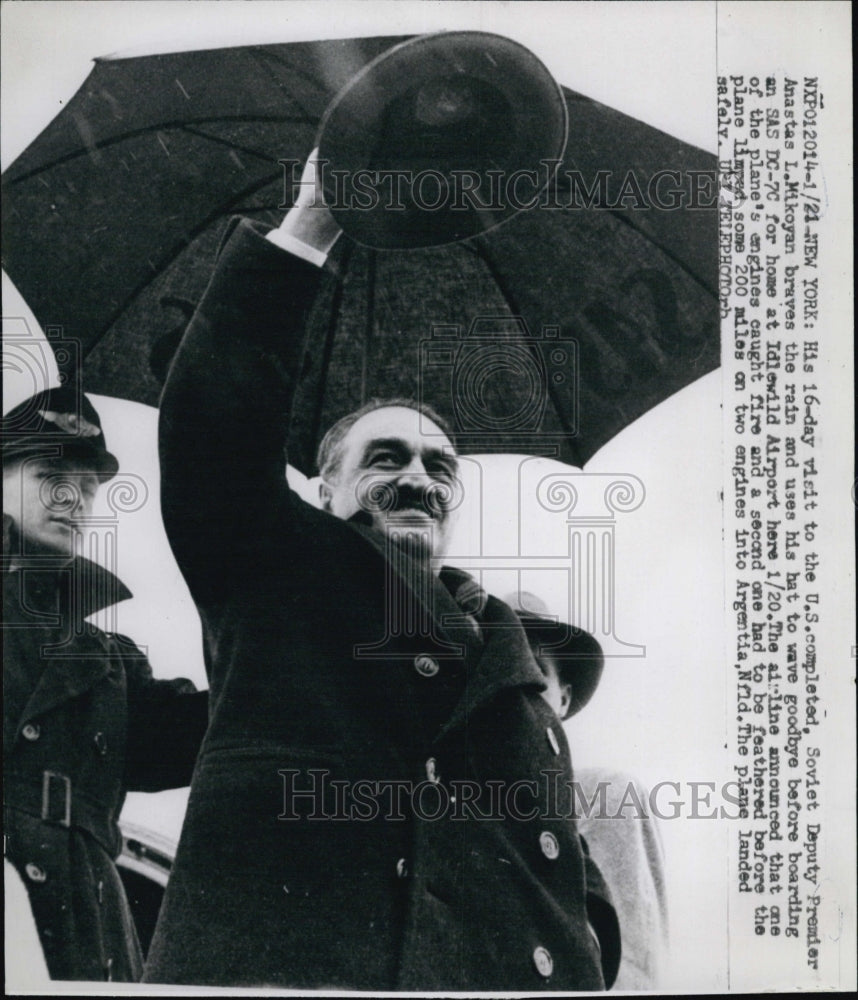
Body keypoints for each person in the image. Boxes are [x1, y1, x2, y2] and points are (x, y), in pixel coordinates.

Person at [143, 154, 619, 990]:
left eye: (441, 467)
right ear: (322, 491)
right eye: (385, 458)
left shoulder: (508, 656)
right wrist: (314, 222)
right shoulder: (274, 563)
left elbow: (558, 867)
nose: (419, 480)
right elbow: (216, 425)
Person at [2, 386, 209, 982]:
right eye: (50, 477)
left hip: (88, 932)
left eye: (88, 489)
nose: (73, 499)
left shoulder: (111, 661)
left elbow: (220, 732)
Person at [511, 593, 670, 990]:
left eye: (535, 672)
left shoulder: (598, 795)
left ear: (563, 699)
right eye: (502, 667)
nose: (517, 685)